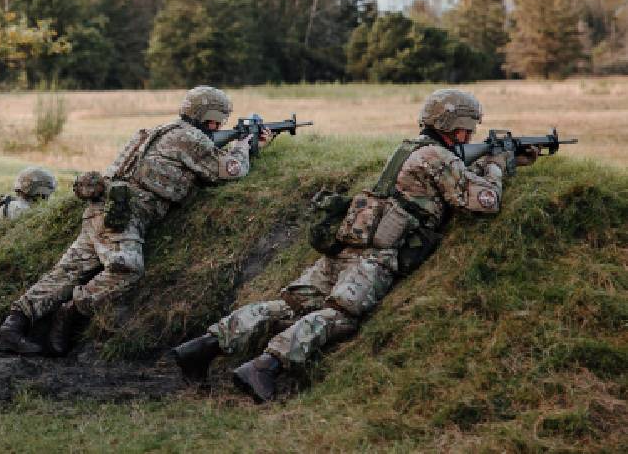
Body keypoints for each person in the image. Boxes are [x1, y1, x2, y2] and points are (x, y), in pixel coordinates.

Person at [168, 88, 538, 402]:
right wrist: (498, 165)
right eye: (468, 128)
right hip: (374, 256)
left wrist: (498, 157)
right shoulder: (438, 157)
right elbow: (484, 201)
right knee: (341, 315)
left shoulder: (413, 149)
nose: (471, 133)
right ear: (458, 126)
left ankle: (204, 346)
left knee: (289, 305)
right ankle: (265, 367)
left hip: (347, 247)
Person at [0, 86, 265, 357]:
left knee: (67, 271)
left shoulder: (157, 131)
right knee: (127, 268)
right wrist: (244, 147)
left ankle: (12, 327)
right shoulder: (190, 138)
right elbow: (231, 171)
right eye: (217, 119)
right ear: (207, 115)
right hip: (126, 215)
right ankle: (70, 312)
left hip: (102, 208)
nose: (218, 126)